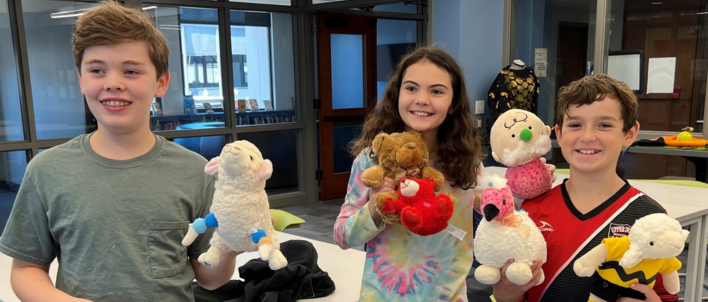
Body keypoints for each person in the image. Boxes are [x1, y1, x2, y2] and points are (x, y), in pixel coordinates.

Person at [0, 2, 237, 301]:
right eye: (97, 70)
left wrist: (228, 251)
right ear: (81, 80)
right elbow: (25, 269)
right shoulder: (46, 170)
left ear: (160, 82)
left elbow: (209, 278)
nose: (113, 84)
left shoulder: (195, 171)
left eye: (131, 71)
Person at [492, 74, 677, 302]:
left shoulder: (650, 217)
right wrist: (504, 293)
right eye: (576, 125)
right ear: (559, 134)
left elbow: (666, 294)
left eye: (604, 125)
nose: (588, 136)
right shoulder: (531, 211)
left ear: (629, 134)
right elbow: (509, 294)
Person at [333, 45, 485, 302]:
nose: (422, 99)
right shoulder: (370, 161)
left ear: (453, 103)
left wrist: (529, 186)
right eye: (411, 88)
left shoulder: (466, 165)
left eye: (437, 91)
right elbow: (342, 236)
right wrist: (374, 206)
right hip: (382, 295)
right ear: (397, 94)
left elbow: (501, 213)